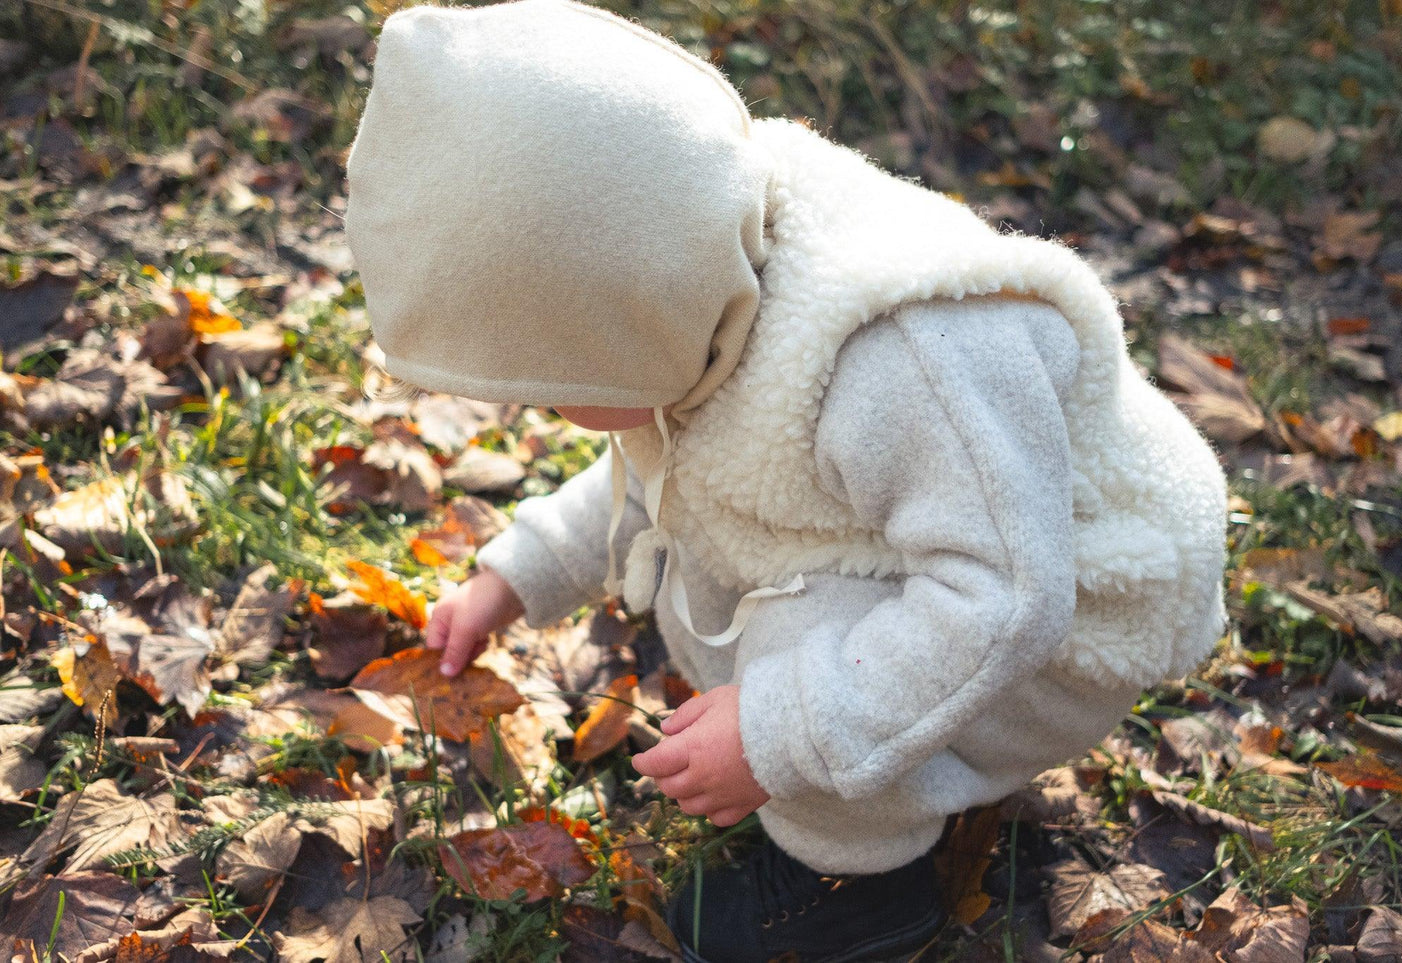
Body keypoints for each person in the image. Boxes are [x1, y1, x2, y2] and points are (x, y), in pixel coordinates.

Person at [342, 1, 1230, 960]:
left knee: (799, 638)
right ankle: (863, 767)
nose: (548, 416)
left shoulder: (900, 356)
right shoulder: (700, 271)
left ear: (635, 317)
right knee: (788, 626)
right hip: (975, 557)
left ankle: (854, 886)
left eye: (558, 391)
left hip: (1076, 605)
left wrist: (778, 732)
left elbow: (1005, 593)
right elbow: (656, 478)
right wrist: (515, 576)